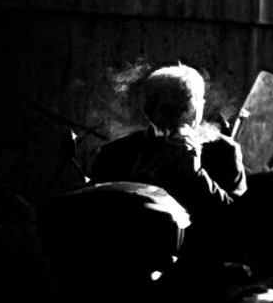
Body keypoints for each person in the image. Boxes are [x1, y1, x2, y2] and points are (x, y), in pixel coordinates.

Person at [92, 64, 246, 229]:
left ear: (201, 107)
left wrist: (196, 175)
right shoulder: (115, 154)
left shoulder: (224, 151)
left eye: (187, 107)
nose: (181, 118)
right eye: (170, 110)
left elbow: (236, 222)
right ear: (149, 111)